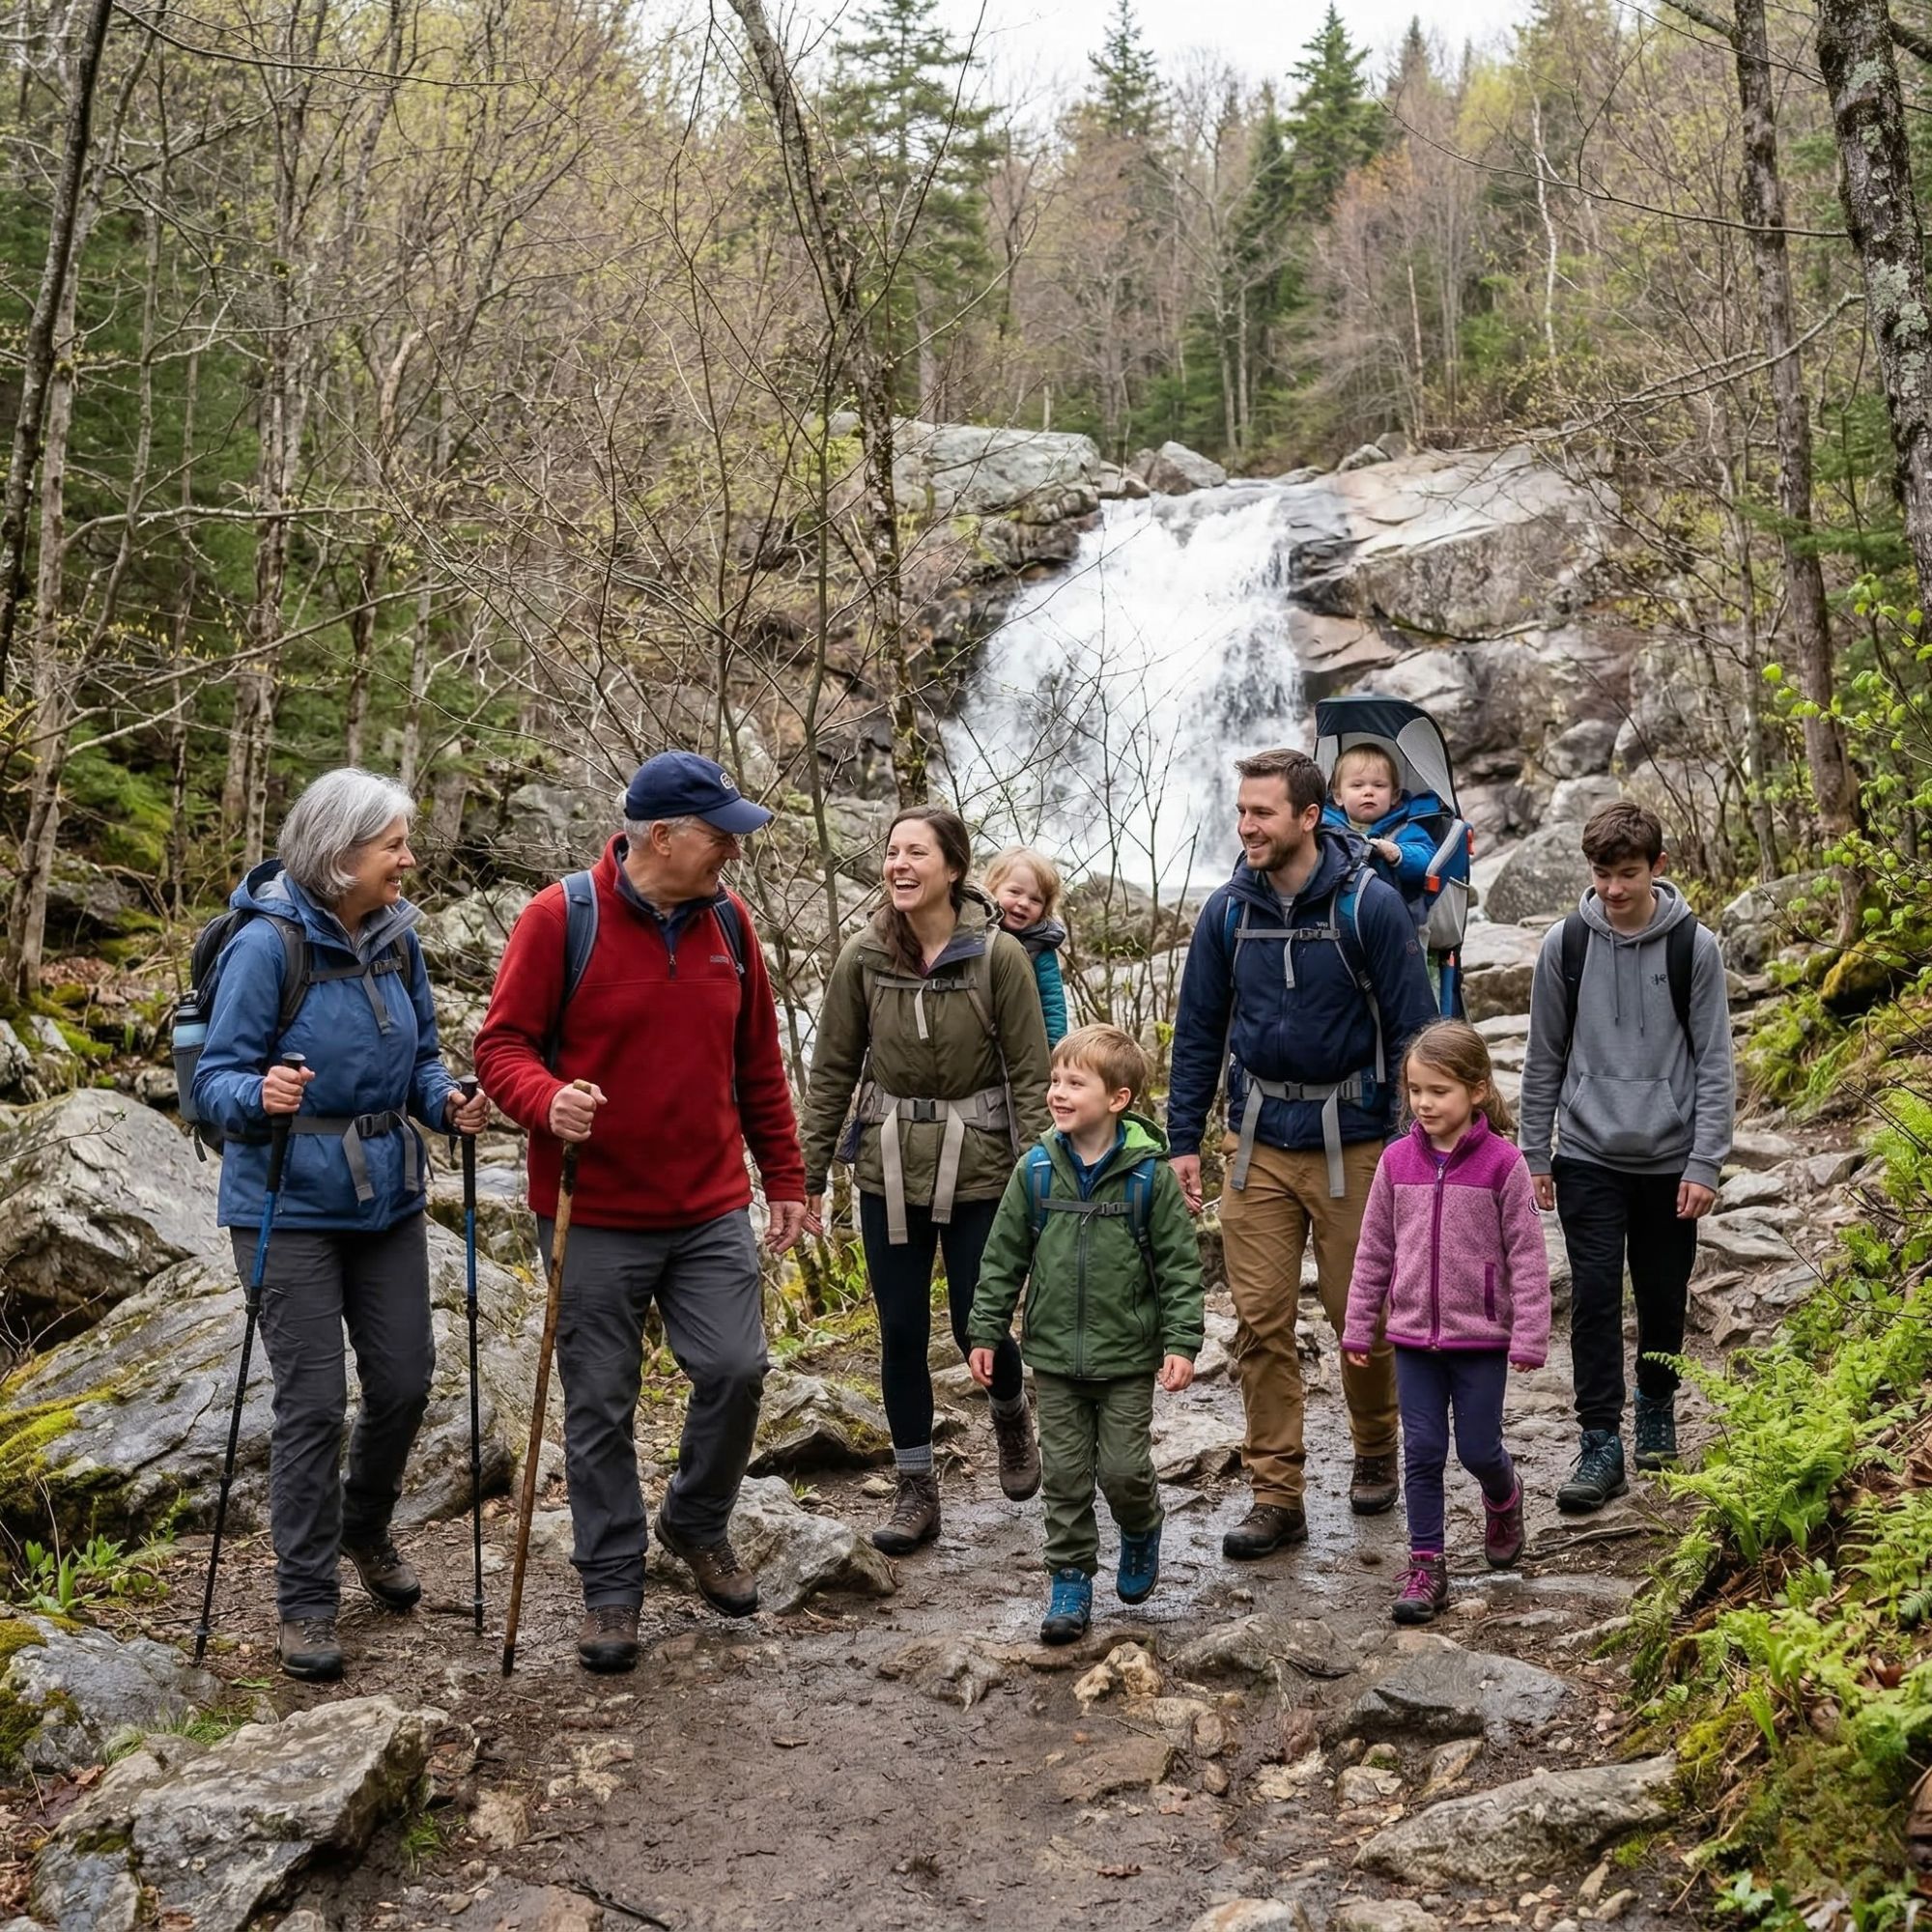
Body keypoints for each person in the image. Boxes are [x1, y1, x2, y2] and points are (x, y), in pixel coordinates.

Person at [474, 751, 807, 1675]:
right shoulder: (557, 919)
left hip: (706, 1205)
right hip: (596, 1213)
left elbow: (759, 1067)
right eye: (718, 836)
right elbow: (500, 1046)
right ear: (660, 836)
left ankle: (694, 1522)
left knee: (737, 1368)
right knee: (600, 1405)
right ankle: (611, 1585)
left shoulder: (730, 926)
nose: (732, 854)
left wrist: (785, 1180)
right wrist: (546, 1101)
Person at [191, 768, 490, 1683]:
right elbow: (212, 1083)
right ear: (340, 853)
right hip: (285, 1201)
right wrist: (260, 1091)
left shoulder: (399, 941)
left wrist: (449, 1103)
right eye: (394, 844)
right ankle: (305, 1598)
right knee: (313, 1403)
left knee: (405, 1378)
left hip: (386, 1197)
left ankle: (365, 1528)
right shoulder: (266, 947)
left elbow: (424, 1061)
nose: (409, 858)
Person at [1168, 747, 1438, 1558]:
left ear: (1308, 817)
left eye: (1262, 813)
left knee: (1360, 1317)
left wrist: (1415, 1147)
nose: (1245, 826)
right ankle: (1276, 1495)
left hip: (1356, 1146)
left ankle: (1373, 1446)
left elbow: (1415, 1030)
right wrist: (1184, 1139)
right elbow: (1198, 1034)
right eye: (1241, 811)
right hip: (1255, 1145)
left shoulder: (1371, 907)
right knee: (1259, 1326)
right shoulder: (1226, 913)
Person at [800, 807, 1052, 1553]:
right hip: (886, 1170)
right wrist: (807, 1173)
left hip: (983, 1172)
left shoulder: (998, 957)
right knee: (902, 1329)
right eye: (891, 852)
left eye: (916, 853)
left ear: (952, 867)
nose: (898, 864)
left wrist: (1043, 1181)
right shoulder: (863, 957)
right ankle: (916, 1489)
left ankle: (1010, 1414)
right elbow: (832, 1072)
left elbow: (1033, 1077)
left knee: (982, 1322)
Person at [1520, 799, 1733, 1511]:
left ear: (1658, 868)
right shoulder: (1566, 945)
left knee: (1665, 1296)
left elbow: (1715, 1062)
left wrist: (1706, 1161)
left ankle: (1656, 1408)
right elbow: (1543, 1055)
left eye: (1629, 874)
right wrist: (1536, 1153)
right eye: (1603, 874)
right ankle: (1599, 1440)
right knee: (1595, 1297)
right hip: (1586, 1154)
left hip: (1670, 1159)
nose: (1614, 889)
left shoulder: (1692, 948)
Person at [966, 1024, 1203, 1644]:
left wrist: (1181, 1343)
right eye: (1055, 1081)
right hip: (1053, 1357)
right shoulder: (1037, 1170)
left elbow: (1180, 1267)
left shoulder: (1150, 1178)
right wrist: (986, 1329)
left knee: (1123, 1469)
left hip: (1126, 1355)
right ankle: (1069, 1576)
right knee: (1066, 1474)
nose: (1058, 1093)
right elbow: (1002, 1255)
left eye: (1076, 1082)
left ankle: (1141, 1524)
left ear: (1118, 1099)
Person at [1343, 1021, 1550, 1625]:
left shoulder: (1503, 1165)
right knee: (1424, 1450)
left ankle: (1504, 1494)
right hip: (1412, 1337)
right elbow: (1374, 1249)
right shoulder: (1395, 1162)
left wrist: (1529, 1332)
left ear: (1477, 1091)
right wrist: (1360, 1325)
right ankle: (1426, 1565)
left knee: (1479, 1448)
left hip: (1480, 1337)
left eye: (1439, 1091)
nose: (1425, 1104)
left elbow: (1528, 1256)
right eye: (1415, 1091)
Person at [1322, 743, 1441, 917]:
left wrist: (1398, 854)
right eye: (1357, 785)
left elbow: (1428, 861)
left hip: (1389, 915)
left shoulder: (1404, 828)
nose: (1368, 792)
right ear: (1338, 796)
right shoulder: (1326, 827)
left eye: (1379, 785)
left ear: (1394, 796)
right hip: (1336, 914)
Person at [985, 845, 1071, 1045]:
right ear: (992, 889)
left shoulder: (1040, 949)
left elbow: (1052, 1004)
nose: (1024, 903)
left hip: (1020, 1042)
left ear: (1044, 909)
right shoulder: (974, 933)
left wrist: (1053, 1049)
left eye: (1035, 899)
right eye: (1015, 892)